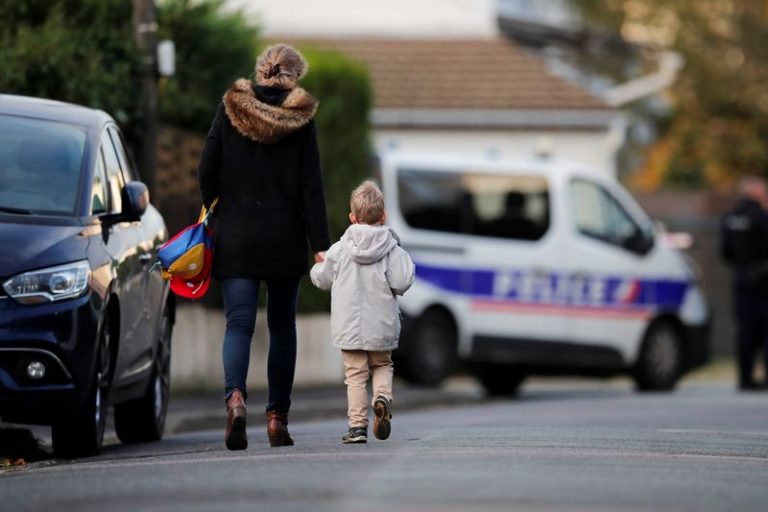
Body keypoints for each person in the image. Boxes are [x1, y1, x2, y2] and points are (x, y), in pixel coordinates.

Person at [197, 44, 331, 450]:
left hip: (236, 235)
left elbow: (206, 167)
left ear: (260, 71)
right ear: (294, 76)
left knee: (238, 324)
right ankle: (277, 419)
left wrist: (215, 206)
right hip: (284, 239)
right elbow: (311, 188)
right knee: (282, 327)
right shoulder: (301, 120)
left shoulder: (230, 108)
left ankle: (236, 398)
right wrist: (320, 245)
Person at [310, 181, 415, 443]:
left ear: (352, 217)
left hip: (349, 326)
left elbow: (323, 279)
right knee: (382, 365)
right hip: (381, 324)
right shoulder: (392, 249)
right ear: (383, 216)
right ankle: (382, 397)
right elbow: (402, 282)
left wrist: (317, 267)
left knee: (355, 376)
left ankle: (357, 428)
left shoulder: (339, 249)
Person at [720, 175, 768, 391]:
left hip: (740, 279)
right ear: (757, 193)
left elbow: (725, 253)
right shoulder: (762, 218)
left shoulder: (730, 217)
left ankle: (744, 377)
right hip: (764, 281)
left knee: (745, 331)